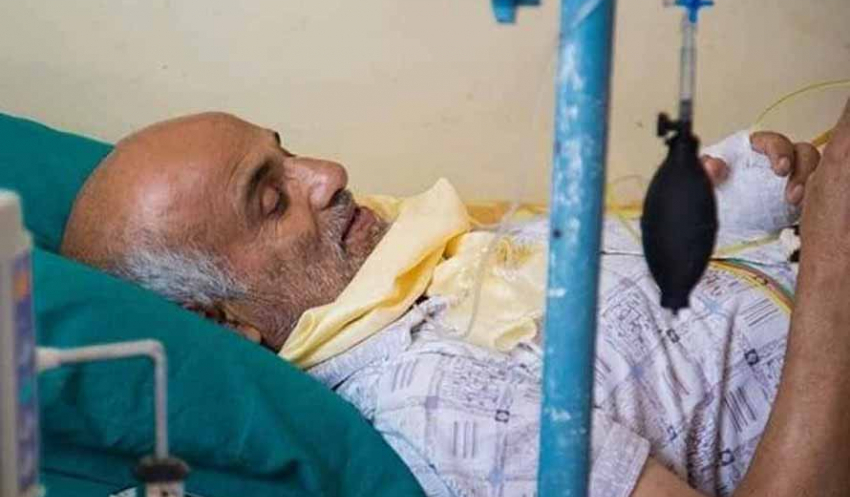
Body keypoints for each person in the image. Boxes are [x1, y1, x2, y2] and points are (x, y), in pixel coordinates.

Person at [59, 99, 850, 497]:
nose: (328, 174)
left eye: (289, 152)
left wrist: (740, 208)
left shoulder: (424, 261)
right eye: (272, 199)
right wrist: (833, 268)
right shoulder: (438, 407)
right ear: (223, 320)